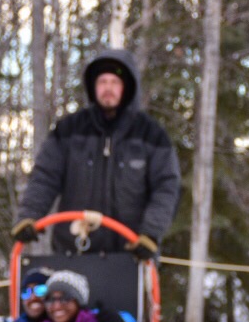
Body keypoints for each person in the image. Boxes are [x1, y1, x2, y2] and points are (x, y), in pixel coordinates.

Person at [11, 48, 181, 257]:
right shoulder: (69, 130)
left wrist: (151, 233)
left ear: (126, 88)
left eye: (114, 82)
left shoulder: (151, 135)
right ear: (93, 86)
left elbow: (166, 187)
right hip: (73, 251)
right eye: (102, 82)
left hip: (131, 254)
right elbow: (45, 177)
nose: (108, 88)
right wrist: (29, 215)